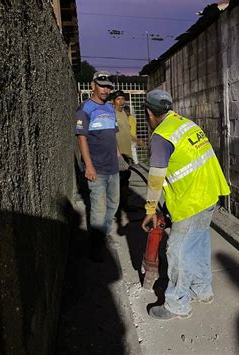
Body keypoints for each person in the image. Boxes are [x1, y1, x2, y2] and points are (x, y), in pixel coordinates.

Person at [141, 89, 230, 320]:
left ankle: (177, 304)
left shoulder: (162, 136)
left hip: (191, 199)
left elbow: (156, 177)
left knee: (178, 250)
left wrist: (150, 209)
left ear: (149, 113)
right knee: (198, 244)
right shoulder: (187, 124)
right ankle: (202, 290)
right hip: (210, 193)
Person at [74, 71, 119, 261]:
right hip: (97, 169)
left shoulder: (110, 108)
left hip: (113, 168)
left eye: (109, 86)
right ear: (93, 85)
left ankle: (103, 235)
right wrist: (89, 166)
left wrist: (119, 157)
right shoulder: (85, 109)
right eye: (102, 85)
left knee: (113, 205)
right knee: (98, 210)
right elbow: (81, 138)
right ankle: (96, 248)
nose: (106, 89)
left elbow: (112, 135)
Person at [111, 90, 132, 217]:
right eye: (118, 99)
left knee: (125, 182)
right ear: (113, 101)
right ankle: (116, 210)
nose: (121, 102)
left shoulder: (123, 112)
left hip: (127, 154)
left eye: (123, 99)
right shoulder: (111, 114)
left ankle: (125, 205)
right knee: (116, 183)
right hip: (117, 155)